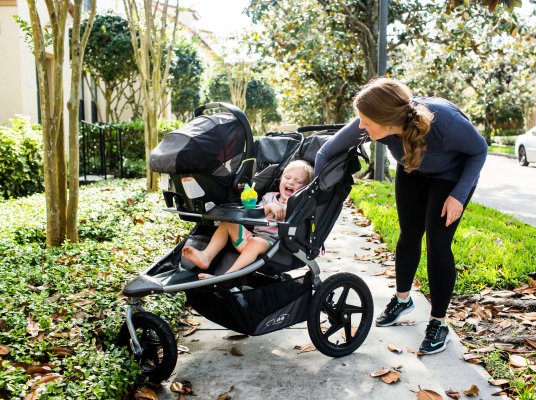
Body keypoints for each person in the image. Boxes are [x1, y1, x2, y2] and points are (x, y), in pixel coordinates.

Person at [314, 77, 487, 355]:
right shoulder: (372, 124)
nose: (360, 126)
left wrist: (459, 194)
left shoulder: (442, 122)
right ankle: (403, 299)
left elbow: (479, 150)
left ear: (385, 120)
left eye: (365, 121)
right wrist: (315, 204)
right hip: (412, 170)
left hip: (452, 176)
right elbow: (326, 151)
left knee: (437, 244)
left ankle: (439, 322)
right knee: (408, 236)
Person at [182, 160, 314, 279]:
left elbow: (288, 213)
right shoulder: (269, 196)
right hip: (251, 239)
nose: (291, 182)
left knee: (257, 241)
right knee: (227, 222)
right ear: (280, 179)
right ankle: (206, 256)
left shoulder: (297, 204)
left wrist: (281, 207)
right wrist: (268, 207)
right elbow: (254, 214)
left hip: (273, 244)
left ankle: (227, 276)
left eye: (298, 182)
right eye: (287, 177)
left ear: (304, 188)